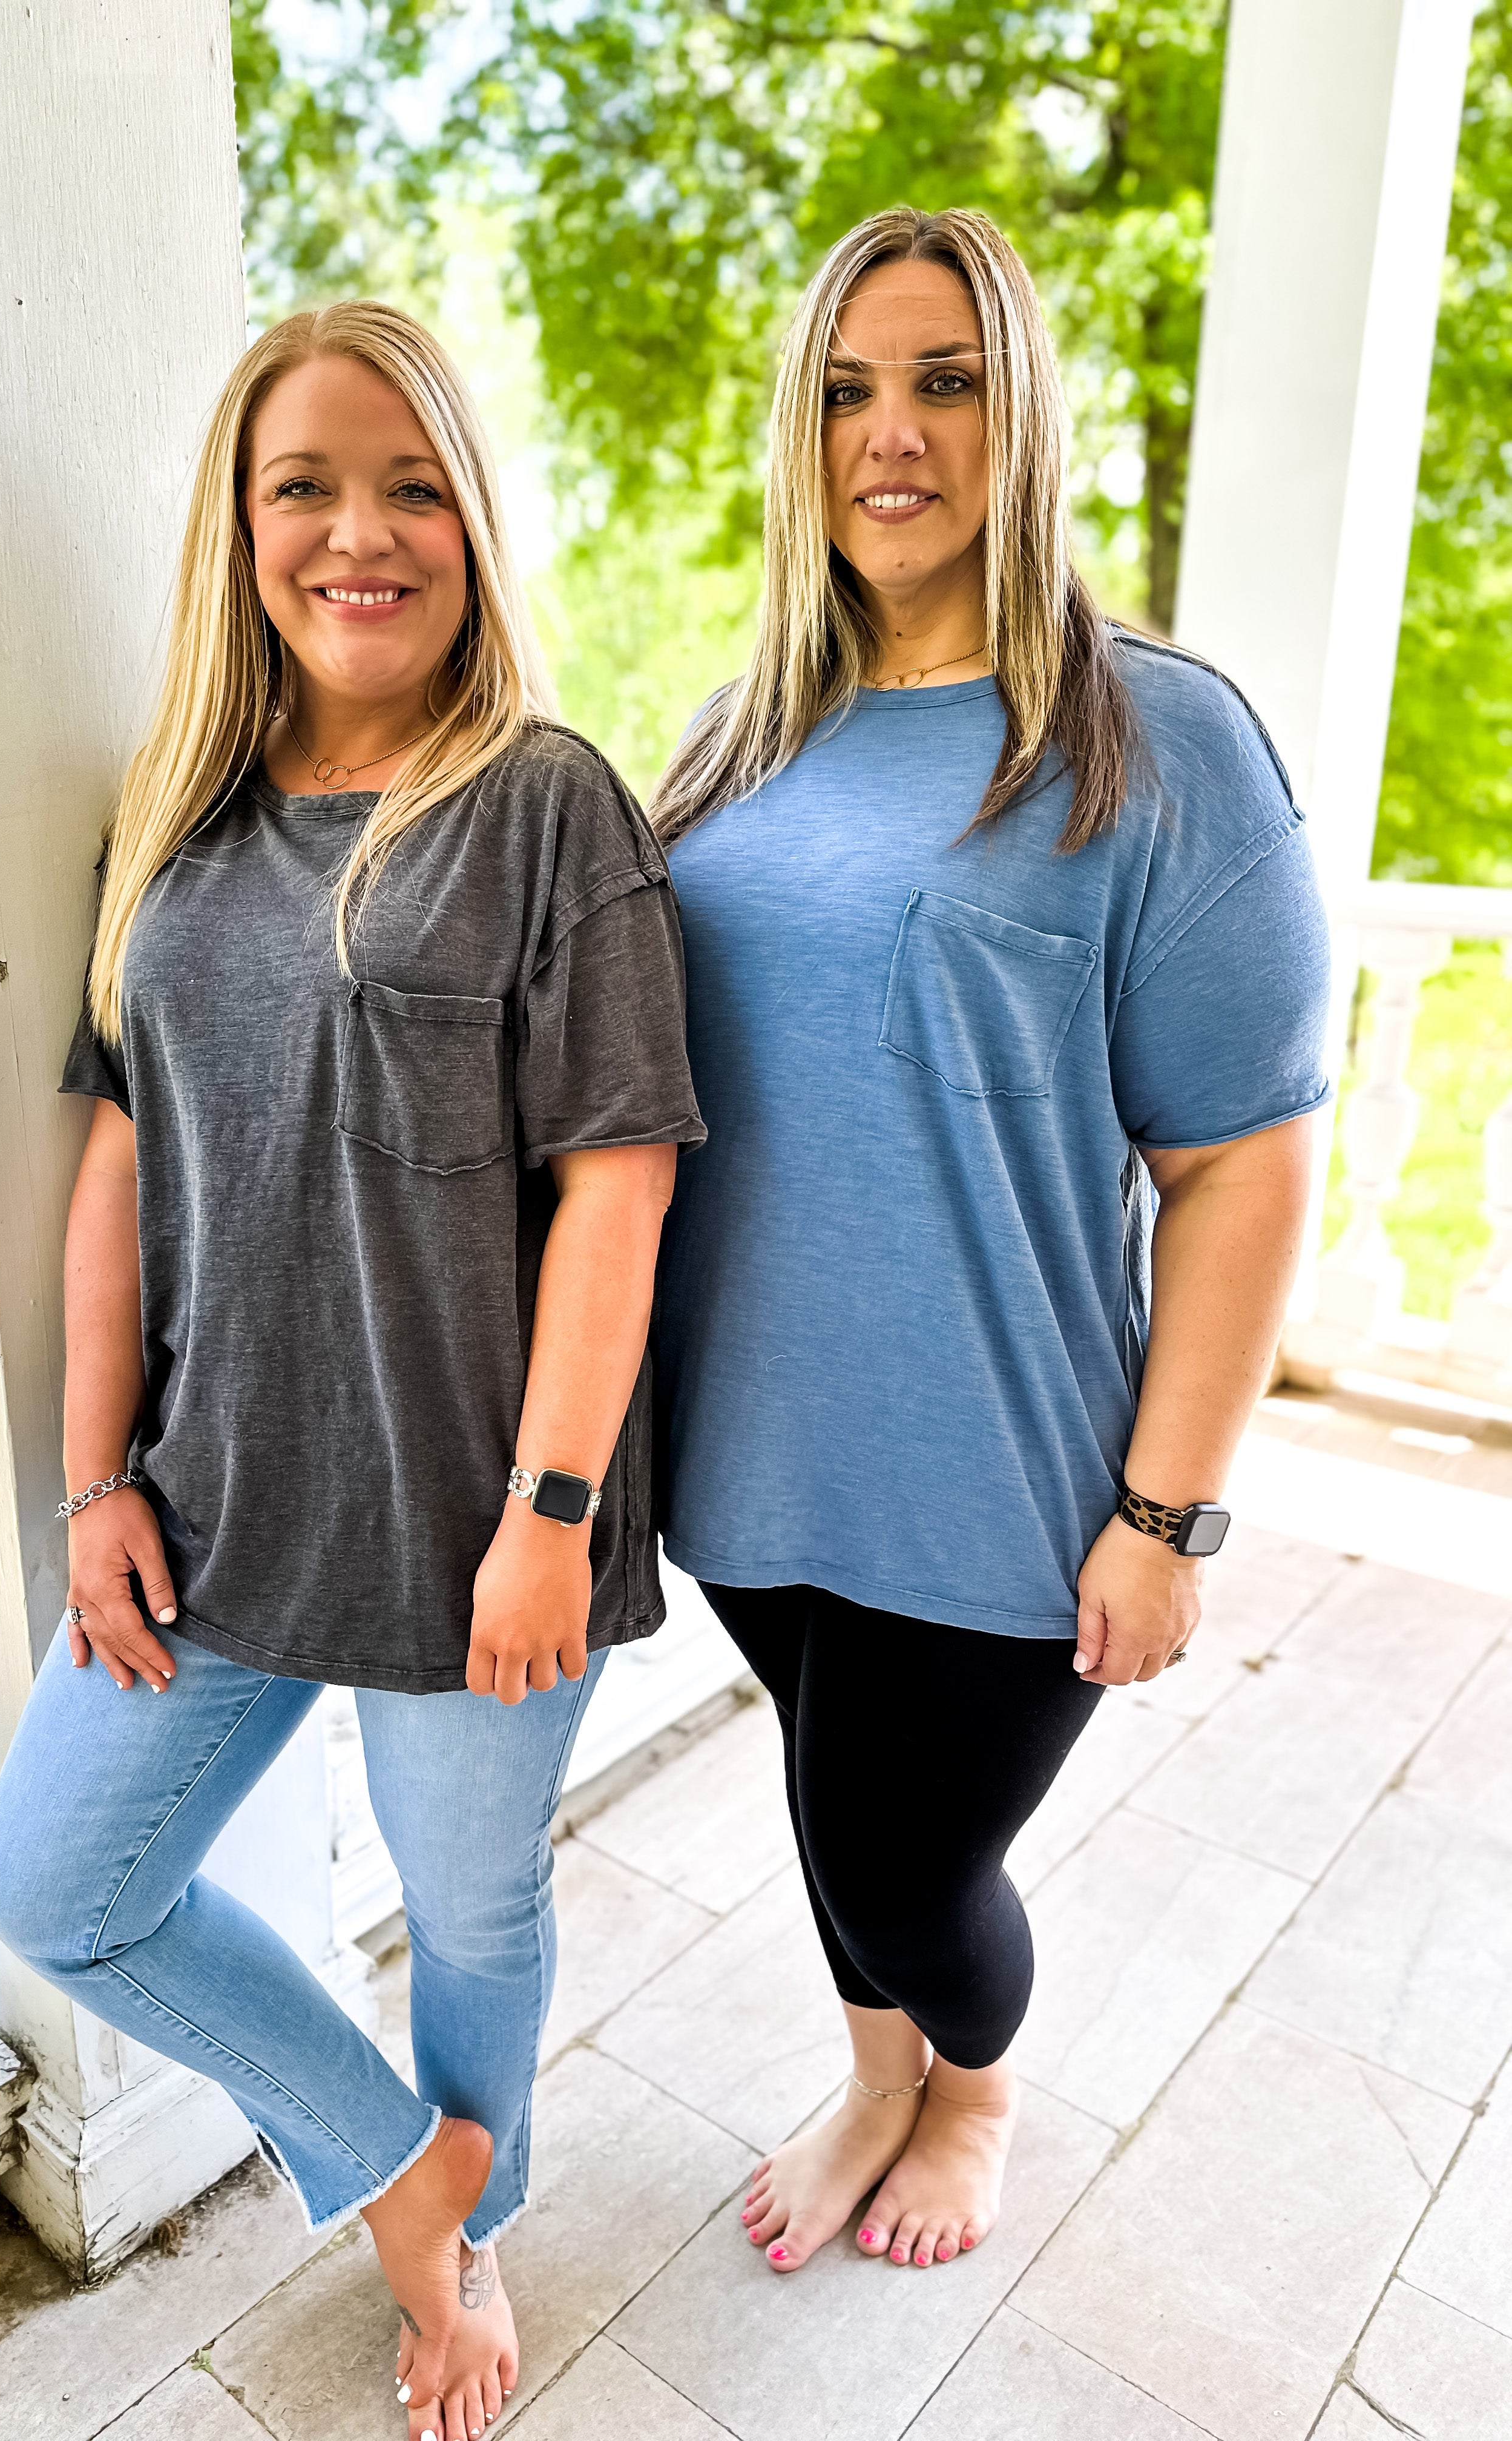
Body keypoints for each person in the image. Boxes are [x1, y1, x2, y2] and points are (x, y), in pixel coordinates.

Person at [0, 300, 704, 2441]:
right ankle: (409, 2176)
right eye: (305, 487)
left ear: (472, 526)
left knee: (471, 1906)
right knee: (56, 1889)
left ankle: (469, 2250)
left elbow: (621, 1186)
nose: (358, 534)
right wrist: (93, 1480)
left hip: (483, 1515)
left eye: (412, 489)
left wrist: (551, 1513)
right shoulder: (172, 815)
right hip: (212, 1502)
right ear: (242, 526)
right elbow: (119, 1161)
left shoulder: (546, 805)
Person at [650, 206, 1330, 2279]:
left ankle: (976, 2093)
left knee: (902, 1856)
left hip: (1002, 1476)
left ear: (1020, 415)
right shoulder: (747, 733)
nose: (895, 434)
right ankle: (882, 2078)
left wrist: (1169, 1516)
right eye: (849, 390)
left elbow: (1245, 1164)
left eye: (946, 382)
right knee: (828, 1798)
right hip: (744, 1448)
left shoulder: (1156, 739)